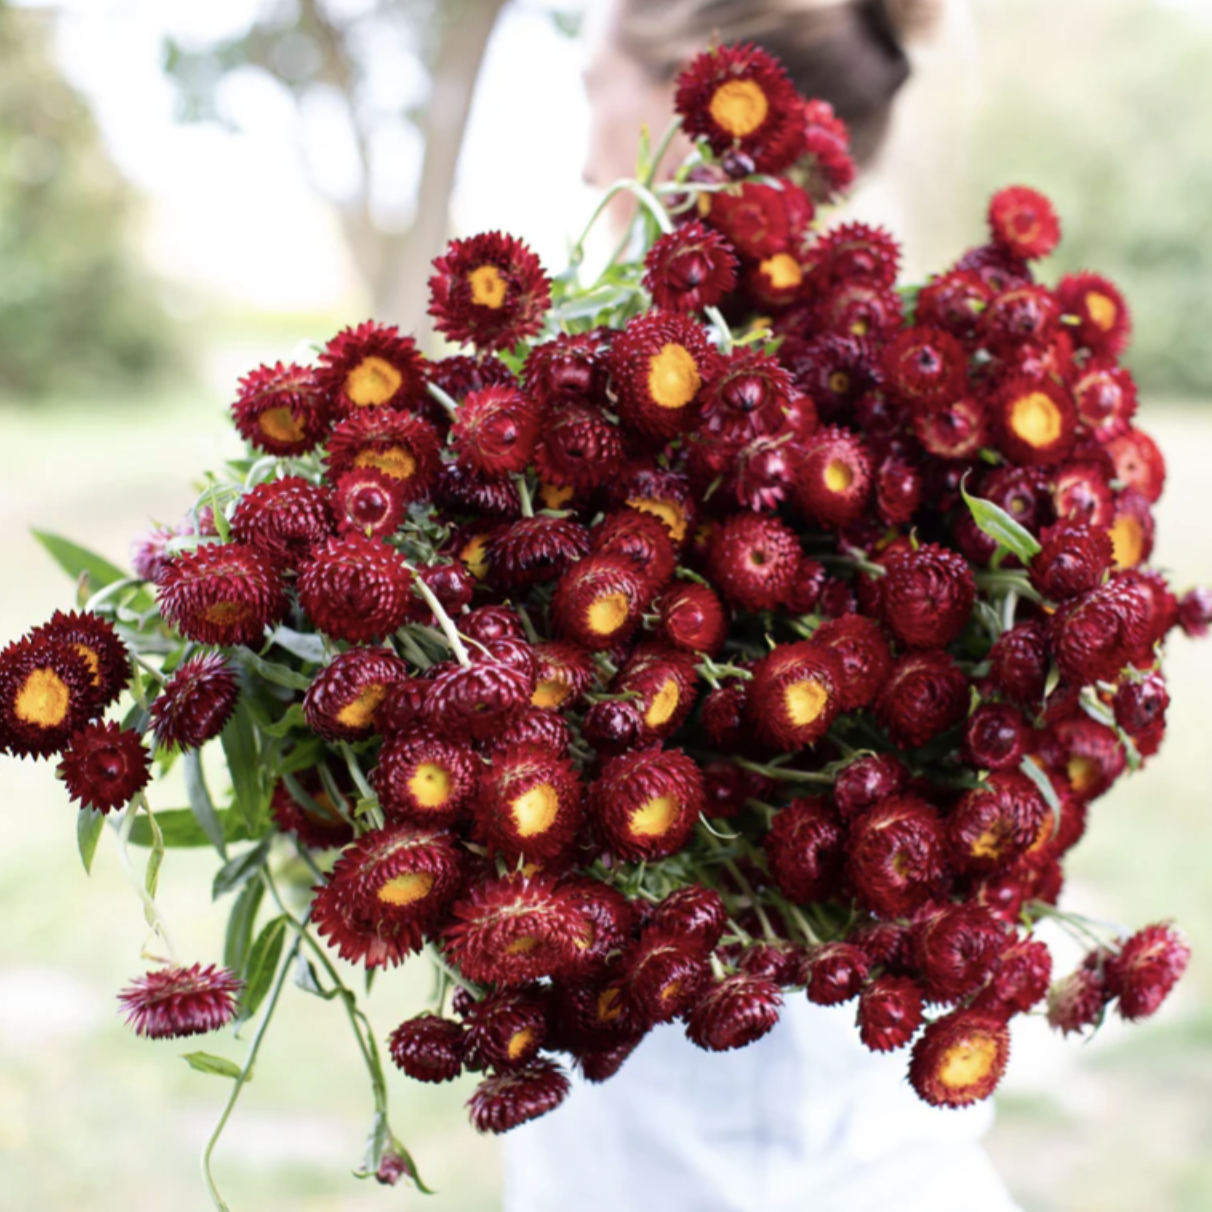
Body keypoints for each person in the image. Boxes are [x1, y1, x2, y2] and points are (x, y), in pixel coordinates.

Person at [502, 4, 1024, 1210]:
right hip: (859, 1138)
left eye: (596, 90)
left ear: (700, 111)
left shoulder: (865, 438)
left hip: (709, 1149)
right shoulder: (914, 425)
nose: (584, 161)